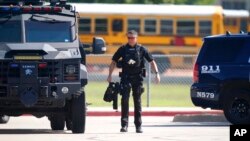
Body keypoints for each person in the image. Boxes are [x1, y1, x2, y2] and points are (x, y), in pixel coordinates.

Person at [107, 30, 160, 133]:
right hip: (126, 78)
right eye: (129, 38)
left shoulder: (142, 49)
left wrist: (157, 74)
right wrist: (109, 75)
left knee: (138, 102)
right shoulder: (122, 49)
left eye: (132, 38)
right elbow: (113, 62)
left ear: (136, 38)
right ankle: (124, 125)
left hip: (138, 78)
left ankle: (138, 126)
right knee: (125, 101)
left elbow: (152, 62)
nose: (131, 40)